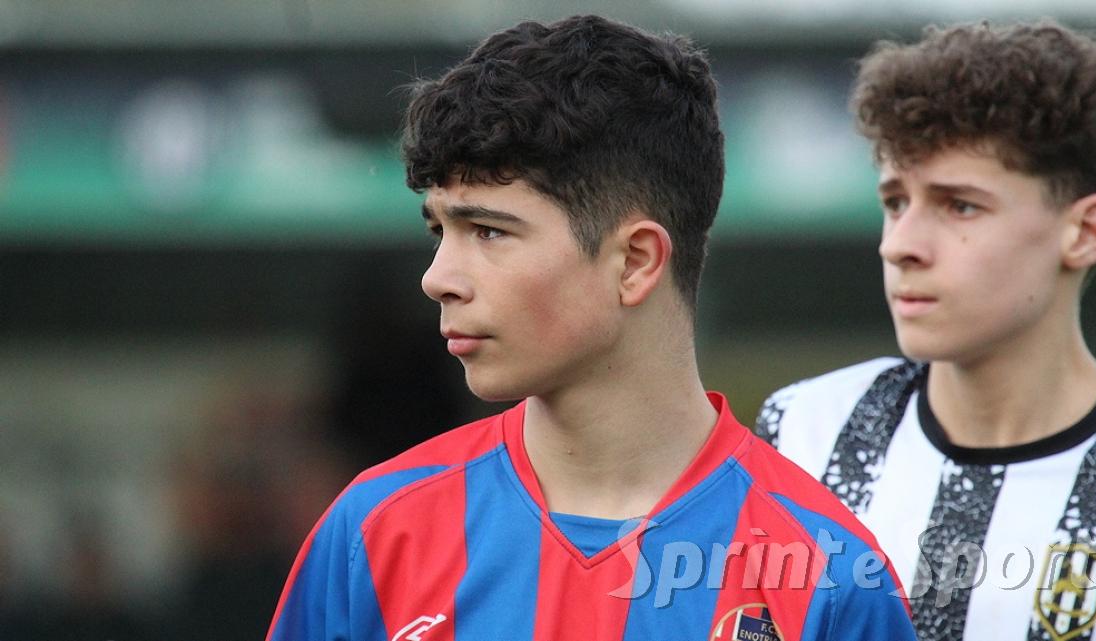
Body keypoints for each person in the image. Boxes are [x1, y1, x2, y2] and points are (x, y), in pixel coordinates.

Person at [266, 14, 915, 641]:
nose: (438, 278)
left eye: (488, 231)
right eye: (441, 230)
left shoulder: (830, 578)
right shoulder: (374, 535)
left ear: (635, 262)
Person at [755, 19, 1096, 641]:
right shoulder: (804, 431)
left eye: (960, 205)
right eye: (895, 202)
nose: (899, 245)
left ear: (1086, 231)